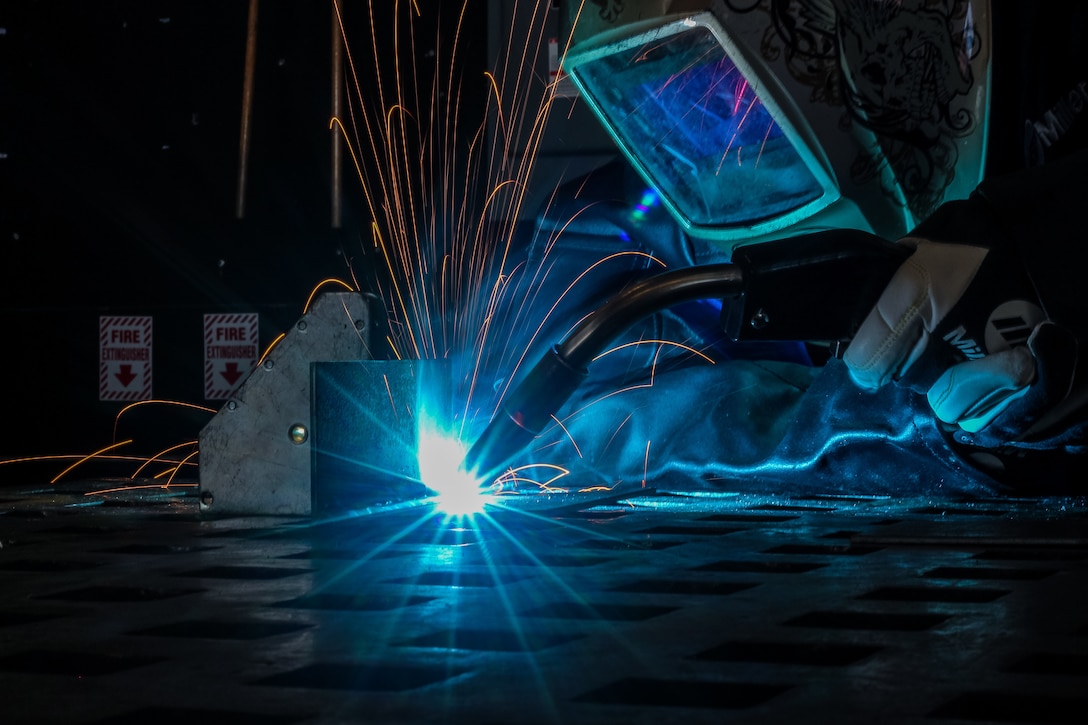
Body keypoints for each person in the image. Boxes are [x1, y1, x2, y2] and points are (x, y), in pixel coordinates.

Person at [480, 0, 1087, 494]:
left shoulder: (1057, 61)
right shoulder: (668, 189)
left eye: (727, 102)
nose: (717, 145)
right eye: (681, 108)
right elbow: (623, 231)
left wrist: (1039, 253)